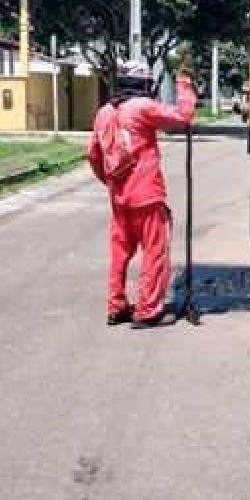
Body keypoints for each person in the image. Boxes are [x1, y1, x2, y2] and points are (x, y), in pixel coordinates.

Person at [87, 57, 197, 328]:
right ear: (144, 83)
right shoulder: (143, 108)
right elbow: (182, 117)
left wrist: (110, 182)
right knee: (154, 252)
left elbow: (93, 154)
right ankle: (148, 311)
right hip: (146, 196)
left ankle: (116, 307)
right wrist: (184, 85)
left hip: (119, 197)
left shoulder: (104, 112)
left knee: (120, 253)